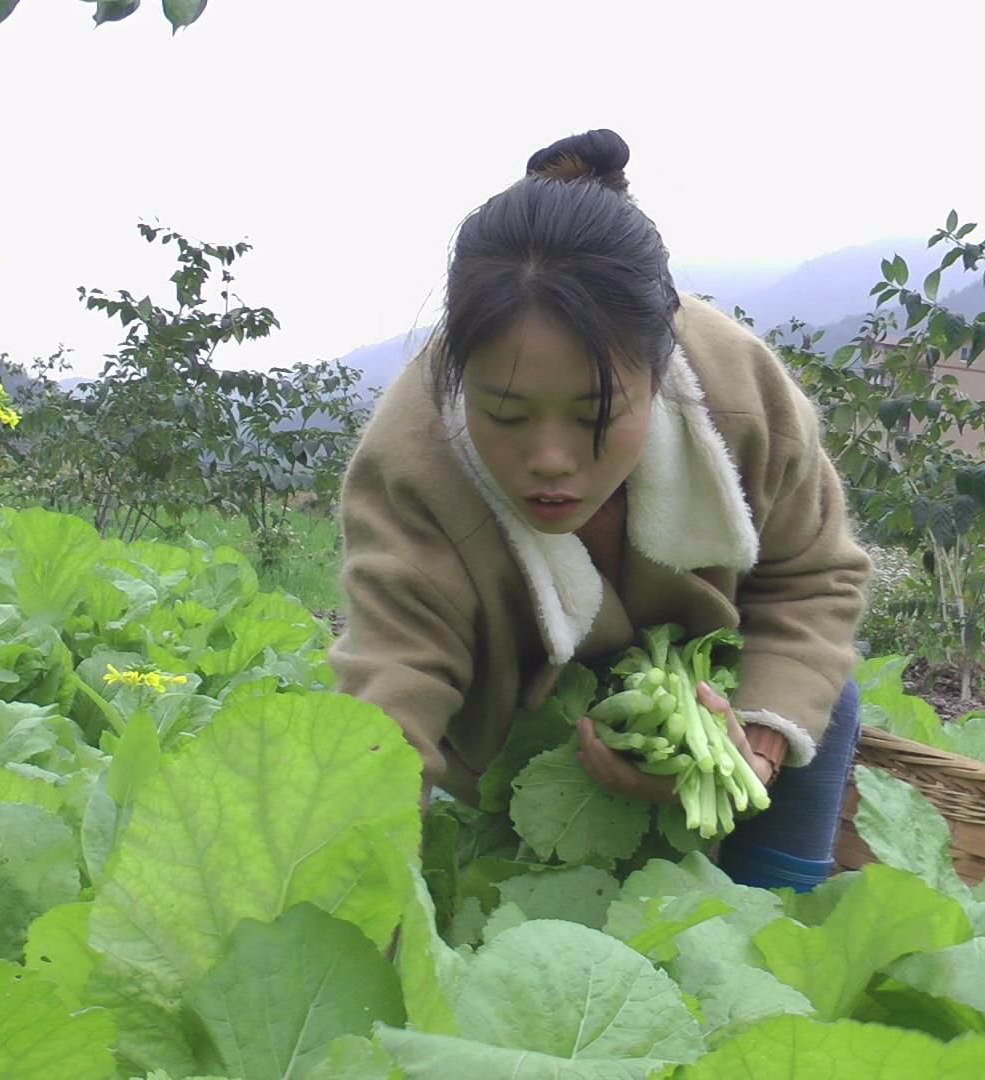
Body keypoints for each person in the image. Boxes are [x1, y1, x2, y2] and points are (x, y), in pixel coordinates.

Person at [329, 129, 873, 892]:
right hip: (524, 719)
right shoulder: (410, 467)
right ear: (459, 383)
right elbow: (391, 696)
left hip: (709, 698)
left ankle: (775, 903)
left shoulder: (740, 394)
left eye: (596, 415)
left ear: (659, 374)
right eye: (508, 415)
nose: (550, 459)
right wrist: (365, 907)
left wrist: (754, 745)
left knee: (830, 703)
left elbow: (813, 578)